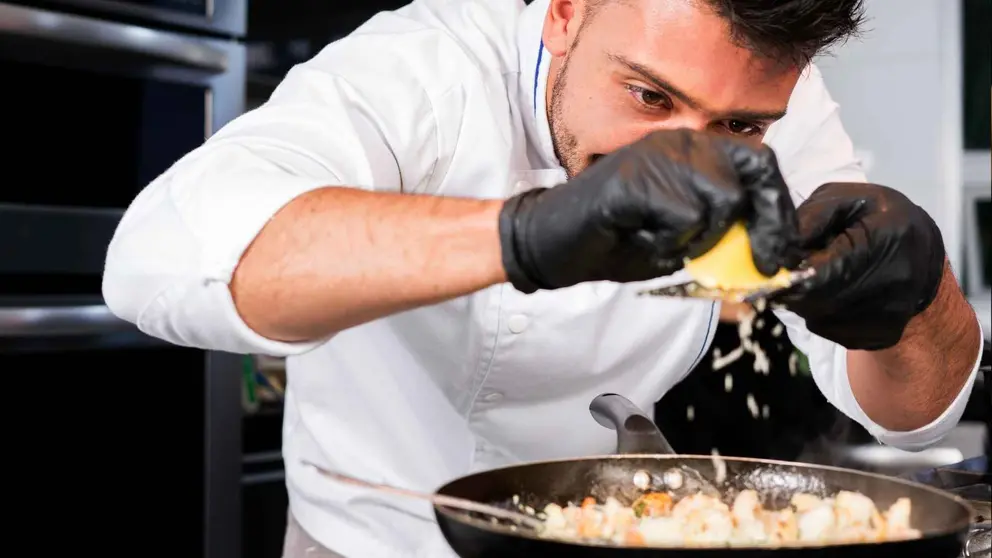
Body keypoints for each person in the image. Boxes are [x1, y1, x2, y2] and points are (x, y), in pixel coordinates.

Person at [101, 0, 985, 556]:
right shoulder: (424, 65)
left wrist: (916, 304)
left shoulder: (783, 111)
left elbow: (907, 420)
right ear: (565, 12)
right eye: (648, 97)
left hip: (610, 531)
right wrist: (523, 235)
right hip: (367, 540)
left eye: (744, 126)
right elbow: (157, 260)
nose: (695, 149)